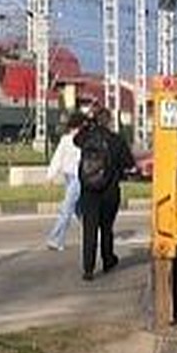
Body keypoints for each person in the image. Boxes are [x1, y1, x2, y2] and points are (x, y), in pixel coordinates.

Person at [74, 102, 135, 281]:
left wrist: (88, 122)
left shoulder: (87, 137)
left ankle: (88, 269)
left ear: (96, 120)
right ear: (109, 121)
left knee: (89, 229)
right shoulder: (116, 140)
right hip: (110, 191)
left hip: (89, 191)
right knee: (106, 228)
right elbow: (129, 163)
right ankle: (108, 260)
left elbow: (75, 140)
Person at [44, 110, 86, 251]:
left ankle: (56, 239)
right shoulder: (66, 140)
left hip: (78, 178)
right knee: (78, 209)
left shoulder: (84, 141)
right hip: (69, 177)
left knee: (66, 208)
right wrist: (50, 176)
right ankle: (92, 232)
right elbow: (58, 159)